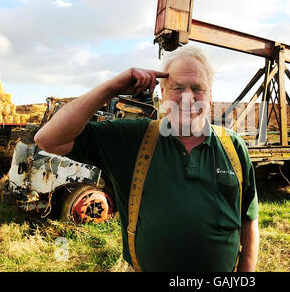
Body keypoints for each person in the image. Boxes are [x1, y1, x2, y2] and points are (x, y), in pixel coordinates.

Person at [34, 46, 259, 272]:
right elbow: (49, 139)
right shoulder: (133, 139)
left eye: (198, 88)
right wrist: (113, 87)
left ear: (211, 94)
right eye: (177, 88)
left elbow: (249, 221)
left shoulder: (233, 147)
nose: (188, 98)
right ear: (161, 93)